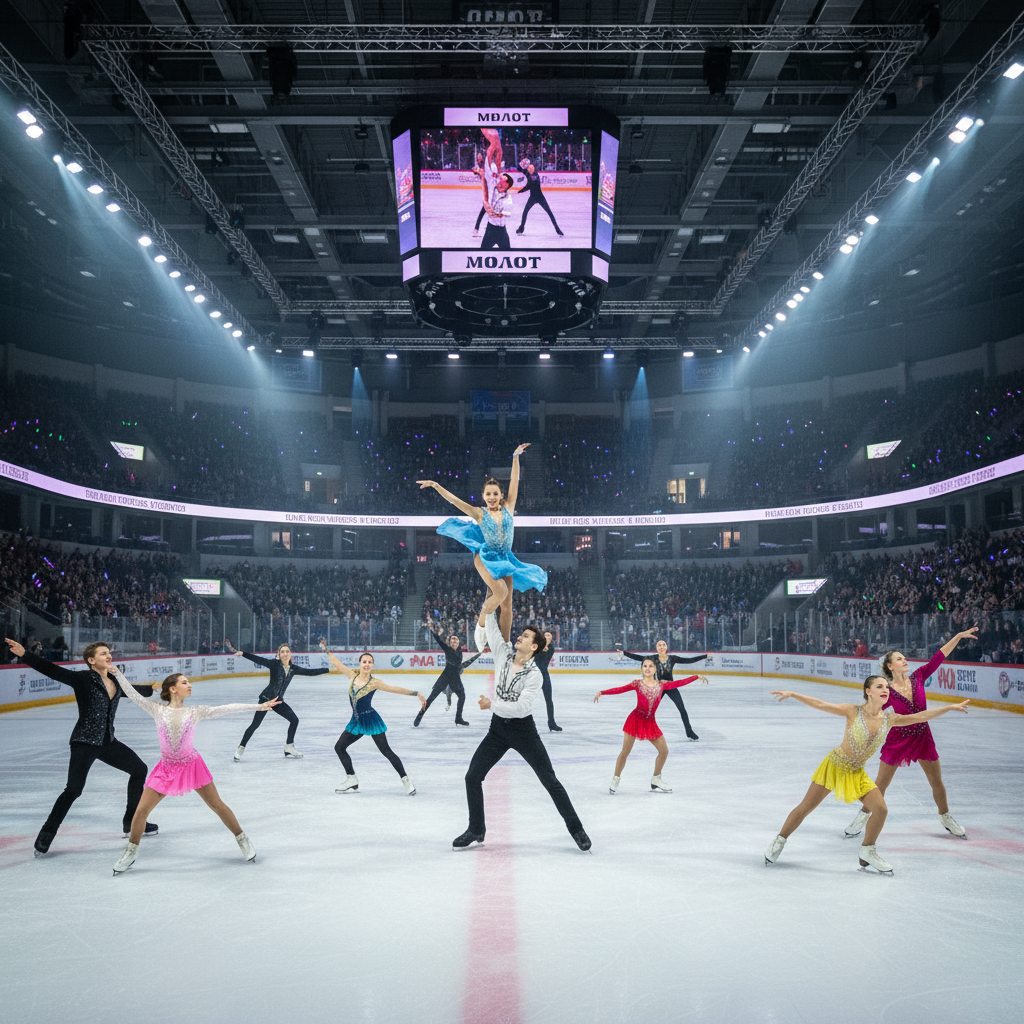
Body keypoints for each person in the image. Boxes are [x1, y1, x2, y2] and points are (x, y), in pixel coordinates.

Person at [764, 678, 971, 874]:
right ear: (868, 691)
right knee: (805, 807)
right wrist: (792, 694)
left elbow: (921, 716)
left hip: (857, 773)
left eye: (887, 688)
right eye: (879, 686)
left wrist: (949, 708)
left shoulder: (890, 719)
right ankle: (780, 840)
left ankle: (867, 851)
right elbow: (821, 704)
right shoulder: (852, 711)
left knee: (880, 810)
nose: (885, 690)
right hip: (835, 766)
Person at [111, 671, 274, 875]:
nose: (189, 685)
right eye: (184, 682)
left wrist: (258, 706)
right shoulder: (157, 710)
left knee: (218, 805)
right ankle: (131, 852)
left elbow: (226, 709)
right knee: (141, 810)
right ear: (172, 688)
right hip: (166, 768)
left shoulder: (195, 711)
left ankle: (243, 839)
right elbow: (133, 694)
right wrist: (117, 673)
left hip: (192, 765)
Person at [5, 637, 157, 856]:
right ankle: (46, 835)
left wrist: (154, 689)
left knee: (139, 769)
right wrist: (25, 654)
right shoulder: (83, 679)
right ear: (91, 660)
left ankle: (131, 822)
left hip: (107, 742)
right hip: (84, 742)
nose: (109, 656)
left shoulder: (116, 682)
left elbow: (134, 691)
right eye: (103, 653)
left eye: (108, 652)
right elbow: (52, 670)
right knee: (74, 789)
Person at [453, 610, 590, 851]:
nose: (519, 636)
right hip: (497, 730)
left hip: (523, 731)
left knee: (550, 781)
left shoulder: (535, 675)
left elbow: (521, 707)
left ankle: (577, 829)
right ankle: (476, 829)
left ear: (534, 646)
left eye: (525, 636)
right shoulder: (503, 654)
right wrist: (491, 601)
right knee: (472, 776)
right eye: (521, 634)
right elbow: (492, 629)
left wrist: (491, 704)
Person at [844, 627, 979, 841]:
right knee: (881, 784)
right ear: (890, 666)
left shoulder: (918, 677)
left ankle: (945, 817)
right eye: (899, 659)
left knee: (937, 781)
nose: (905, 660)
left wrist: (958, 637)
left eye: (904, 658)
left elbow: (939, 656)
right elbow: (871, 709)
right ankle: (863, 815)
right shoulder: (885, 689)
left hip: (923, 736)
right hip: (898, 739)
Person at [418, 444, 546, 646]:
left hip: (505, 558)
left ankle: (503, 646)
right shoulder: (479, 513)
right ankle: (481, 624)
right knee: (501, 592)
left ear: (501, 496)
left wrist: (515, 457)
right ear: (483, 496)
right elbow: (454, 501)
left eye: (495, 494)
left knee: (507, 604)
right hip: (485, 557)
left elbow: (514, 481)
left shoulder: (509, 508)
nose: (492, 497)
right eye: (488, 494)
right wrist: (436, 485)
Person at [320, 643, 424, 795]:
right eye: (364, 662)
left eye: (369, 662)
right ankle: (351, 778)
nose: (367, 664)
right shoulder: (352, 676)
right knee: (339, 747)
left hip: (371, 720)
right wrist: (327, 650)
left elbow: (395, 689)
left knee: (386, 751)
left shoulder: (374, 683)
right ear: (360, 664)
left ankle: (406, 780)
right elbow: (338, 664)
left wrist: (416, 693)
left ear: (372, 664)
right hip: (356, 721)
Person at [594, 658, 707, 793]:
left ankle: (656, 779)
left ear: (655, 669)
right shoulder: (637, 684)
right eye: (645, 666)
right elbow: (620, 689)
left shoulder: (662, 685)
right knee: (625, 752)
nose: (647, 668)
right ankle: (615, 778)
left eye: (650, 666)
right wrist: (602, 692)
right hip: (635, 721)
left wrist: (695, 677)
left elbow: (679, 683)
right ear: (642, 668)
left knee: (664, 751)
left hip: (650, 722)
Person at [225, 640, 330, 760]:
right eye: (282, 652)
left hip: (278, 701)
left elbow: (310, 672)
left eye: (287, 651)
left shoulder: (293, 669)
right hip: (266, 700)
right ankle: (241, 747)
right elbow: (259, 660)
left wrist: (328, 669)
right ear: (279, 655)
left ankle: (289, 747)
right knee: (255, 724)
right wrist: (243, 653)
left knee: (294, 720)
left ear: (290, 654)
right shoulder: (274, 664)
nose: (285, 654)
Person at [617, 640, 707, 740]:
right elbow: (639, 658)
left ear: (666, 647)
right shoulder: (652, 658)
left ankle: (689, 732)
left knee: (682, 709)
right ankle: (641, 730)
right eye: (659, 645)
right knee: (648, 710)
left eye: (663, 645)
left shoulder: (672, 658)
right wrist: (624, 653)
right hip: (658, 688)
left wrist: (705, 656)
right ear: (656, 647)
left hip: (671, 686)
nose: (661, 647)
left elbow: (689, 660)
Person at [415, 628, 482, 727]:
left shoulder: (459, 651)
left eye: (456, 640)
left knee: (462, 696)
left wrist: (477, 656)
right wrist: (434, 632)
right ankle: (420, 715)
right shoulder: (447, 649)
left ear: (459, 642)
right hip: (445, 677)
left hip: (455, 678)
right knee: (431, 698)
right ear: (450, 643)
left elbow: (463, 665)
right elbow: (438, 640)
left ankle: (458, 718)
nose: (454, 642)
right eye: (452, 640)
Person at [514, 156, 564, 236]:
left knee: (549, 213)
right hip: (533, 197)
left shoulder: (535, 176)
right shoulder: (528, 173)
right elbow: (519, 169)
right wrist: (522, 162)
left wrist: (519, 191)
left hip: (540, 197)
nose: (530, 169)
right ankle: (521, 228)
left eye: (531, 168)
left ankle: (557, 229)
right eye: (529, 168)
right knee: (525, 212)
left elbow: (529, 186)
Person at [535, 630, 562, 732]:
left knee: (549, 700)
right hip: (533, 674)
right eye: (545, 635)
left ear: (551, 639)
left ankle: (551, 723)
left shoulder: (551, 648)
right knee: (526, 699)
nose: (547, 637)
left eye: (549, 636)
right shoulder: (536, 645)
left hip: (544, 675)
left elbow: (545, 660)